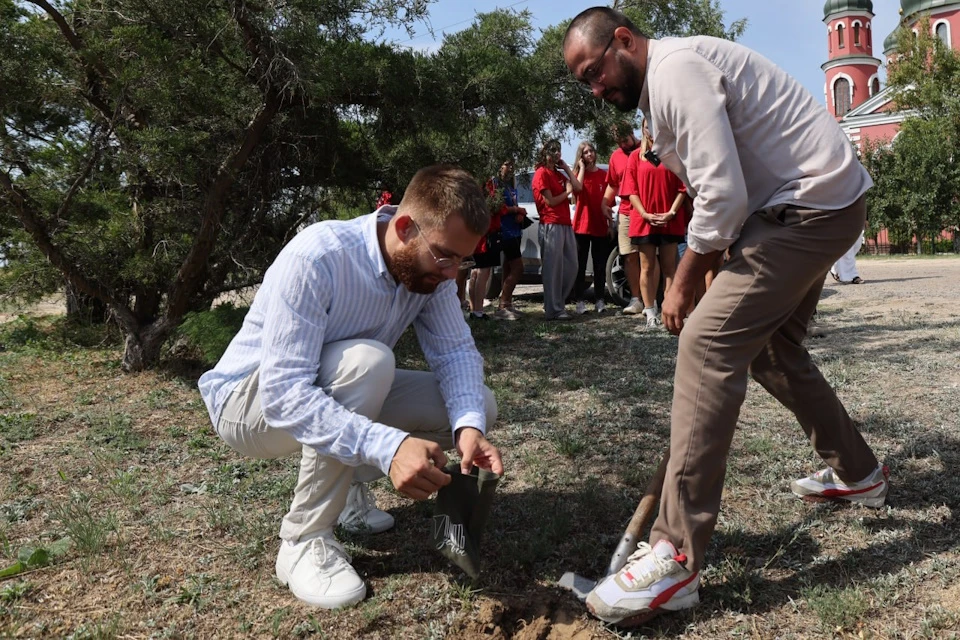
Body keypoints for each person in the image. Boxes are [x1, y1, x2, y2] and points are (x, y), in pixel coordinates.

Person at [564, 8, 888, 626]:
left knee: (708, 345)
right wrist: (712, 265)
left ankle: (674, 558)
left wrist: (683, 284)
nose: (595, 88)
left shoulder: (677, 72)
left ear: (624, 41)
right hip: (802, 207)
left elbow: (723, 195)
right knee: (770, 350)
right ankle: (860, 473)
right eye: (584, 82)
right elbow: (728, 192)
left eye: (595, 71)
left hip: (809, 206)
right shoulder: (659, 95)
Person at [198, 164, 504, 610]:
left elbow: (456, 353)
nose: (450, 274)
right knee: (368, 363)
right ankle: (304, 540)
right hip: (246, 406)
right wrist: (390, 448)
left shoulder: (430, 270)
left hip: (328, 387)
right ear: (403, 227)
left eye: (462, 260)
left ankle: (347, 496)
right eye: (444, 257)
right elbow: (285, 395)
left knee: (477, 406)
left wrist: (469, 429)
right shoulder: (318, 257)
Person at [622, 118, 688, 328]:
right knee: (647, 266)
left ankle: (669, 310)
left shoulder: (672, 154)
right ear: (642, 129)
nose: (651, 130)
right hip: (644, 221)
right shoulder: (635, 157)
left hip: (669, 219)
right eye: (647, 126)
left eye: (654, 124)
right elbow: (631, 190)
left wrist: (671, 212)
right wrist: (644, 214)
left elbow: (683, 188)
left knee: (670, 268)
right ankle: (650, 311)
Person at [532, 139, 581, 320]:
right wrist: (567, 193)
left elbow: (578, 187)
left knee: (571, 265)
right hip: (550, 223)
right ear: (545, 153)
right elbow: (550, 201)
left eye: (559, 150)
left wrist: (567, 169)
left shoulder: (559, 174)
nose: (557, 153)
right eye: (553, 150)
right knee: (553, 268)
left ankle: (558, 303)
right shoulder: (541, 173)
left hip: (565, 223)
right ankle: (553, 309)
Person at [603, 125, 645, 315]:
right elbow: (613, 183)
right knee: (628, 255)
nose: (622, 144)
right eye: (618, 142)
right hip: (626, 211)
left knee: (649, 256)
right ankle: (636, 299)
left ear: (631, 133)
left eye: (625, 140)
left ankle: (651, 298)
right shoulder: (615, 157)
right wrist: (605, 203)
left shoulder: (647, 147)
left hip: (646, 210)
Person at [571, 141, 612, 314]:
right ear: (581, 155)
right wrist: (580, 168)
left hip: (600, 224)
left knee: (599, 265)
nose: (589, 154)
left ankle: (600, 300)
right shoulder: (577, 174)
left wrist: (610, 224)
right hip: (581, 226)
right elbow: (577, 190)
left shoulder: (604, 175)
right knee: (580, 265)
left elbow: (609, 202)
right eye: (585, 152)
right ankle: (579, 301)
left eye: (591, 151)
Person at [488, 159, 528, 320]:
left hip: (515, 229)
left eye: (512, 165)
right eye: (507, 164)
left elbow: (511, 203)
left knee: (508, 267)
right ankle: (503, 303)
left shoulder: (509, 184)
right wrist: (516, 209)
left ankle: (507, 304)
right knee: (518, 268)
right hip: (504, 231)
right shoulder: (495, 183)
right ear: (499, 166)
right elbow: (497, 207)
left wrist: (518, 213)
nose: (510, 168)